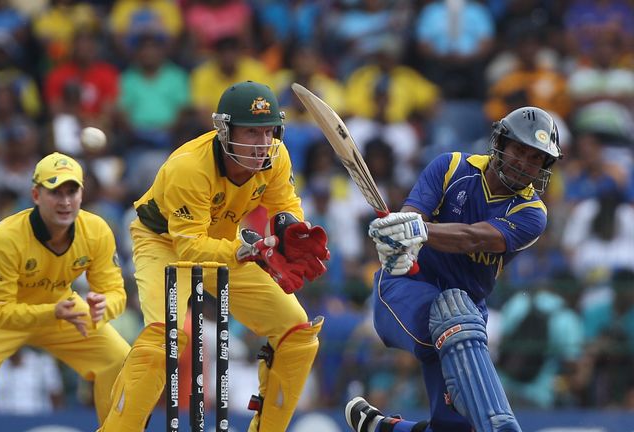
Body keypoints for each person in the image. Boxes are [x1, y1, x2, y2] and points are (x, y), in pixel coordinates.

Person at [99, 80, 330, 432]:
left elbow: (284, 203)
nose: (262, 143)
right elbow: (190, 247)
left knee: (297, 332)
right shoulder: (189, 167)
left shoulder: (276, 156)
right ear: (224, 130)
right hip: (164, 242)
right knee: (165, 339)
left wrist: (290, 230)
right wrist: (251, 250)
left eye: (268, 131)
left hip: (224, 239)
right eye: (251, 132)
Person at [345, 106, 563, 432]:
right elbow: (411, 218)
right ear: (500, 143)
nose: (525, 164)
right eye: (520, 150)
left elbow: (474, 238)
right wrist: (397, 241)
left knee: (456, 429)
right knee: (453, 313)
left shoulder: (532, 213)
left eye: (535, 158)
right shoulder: (451, 167)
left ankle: (380, 427)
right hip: (406, 291)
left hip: (466, 315)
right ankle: (503, 426)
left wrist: (419, 232)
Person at [0, 152, 131, 431]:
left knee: (119, 360)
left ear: (82, 195)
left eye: (72, 192)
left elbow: (115, 291)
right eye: (55, 192)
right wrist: (52, 312)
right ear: (36, 195)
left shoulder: (96, 230)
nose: (65, 202)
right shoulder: (4, 238)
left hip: (62, 309)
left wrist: (105, 306)